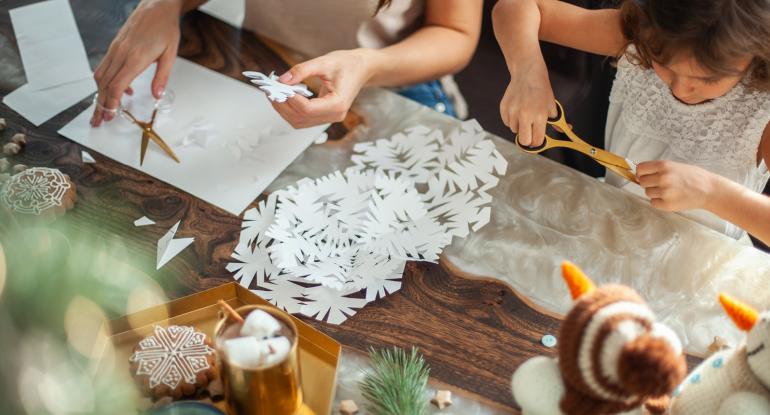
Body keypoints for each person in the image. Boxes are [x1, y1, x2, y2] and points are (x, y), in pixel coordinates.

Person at [493, 0, 770, 245]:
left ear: (753, 56)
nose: (680, 89)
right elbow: (518, 7)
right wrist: (528, 73)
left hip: (701, 275)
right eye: (664, 64)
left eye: (708, 80)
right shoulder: (638, 35)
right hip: (606, 233)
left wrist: (712, 193)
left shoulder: (762, 105)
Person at [90, 0, 482, 129]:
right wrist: (165, 5)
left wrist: (367, 64)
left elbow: (455, 33)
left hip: (393, 77)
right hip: (263, 58)